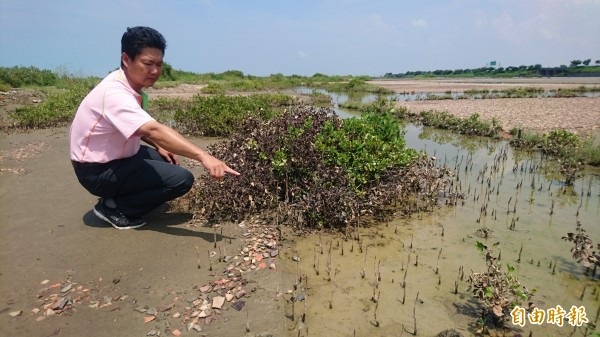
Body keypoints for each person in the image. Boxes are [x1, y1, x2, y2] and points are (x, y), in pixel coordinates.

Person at [69, 26, 239, 230]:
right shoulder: (115, 93)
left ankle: (118, 197)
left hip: (114, 160)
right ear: (126, 59)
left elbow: (138, 128)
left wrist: (159, 145)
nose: (155, 71)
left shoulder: (128, 86)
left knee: (165, 158)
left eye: (159, 64)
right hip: (96, 171)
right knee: (182, 180)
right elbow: (153, 129)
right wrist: (204, 156)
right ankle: (115, 208)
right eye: (148, 63)